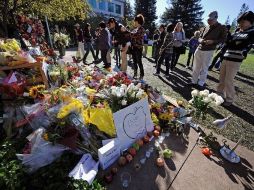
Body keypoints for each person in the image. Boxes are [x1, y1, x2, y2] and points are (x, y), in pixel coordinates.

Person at [217, 11, 254, 106]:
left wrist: (242, 47)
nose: (240, 24)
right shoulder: (237, 31)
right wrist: (229, 36)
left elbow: (246, 45)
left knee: (228, 79)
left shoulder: (252, 32)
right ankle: (219, 95)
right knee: (222, 78)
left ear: (250, 22)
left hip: (236, 59)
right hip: (227, 56)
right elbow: (229, 43)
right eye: (240, 21)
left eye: (243, 21)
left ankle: (229, 99)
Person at [189, 11, 227, 90]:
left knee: (204, 68)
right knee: (195, 66)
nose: (209, 21)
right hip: (199, 49)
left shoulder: (222, 27)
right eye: (208, 19)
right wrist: (200, 40)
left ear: (216, 18)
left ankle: (200, 83)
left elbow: (223, 39)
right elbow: (199, 37)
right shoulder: (206, 27)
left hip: (209, 50)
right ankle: (193, 81)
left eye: (211, 20)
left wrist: (213, 41)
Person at [130, 14, 145, 80]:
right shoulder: (135, 29)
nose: (134, 22)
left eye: (135, 21)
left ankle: (142, 74)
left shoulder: (141, 29)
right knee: (134, 61)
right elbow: (132, 36)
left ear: (138, 21)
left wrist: (128, 32)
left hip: (139, 48)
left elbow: (134, 35)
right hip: (134, 47)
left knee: (139, 61)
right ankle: (135, 74)